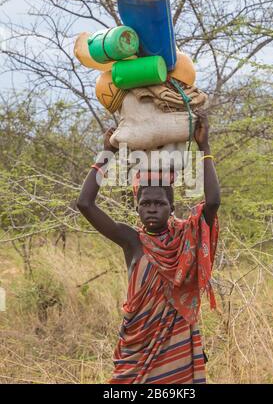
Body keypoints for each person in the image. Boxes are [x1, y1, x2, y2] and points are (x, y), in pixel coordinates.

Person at [77, 108, 221, 384]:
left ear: (172, 207)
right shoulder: (131, 240)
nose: (152, 209)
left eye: (159, 203)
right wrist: (106, 152)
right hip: (136, 347)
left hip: (176, 346)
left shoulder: (185, 237)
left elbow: (212, 202)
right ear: (136, 207)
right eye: (145, 204)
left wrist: (205, 147)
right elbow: (85, 204)